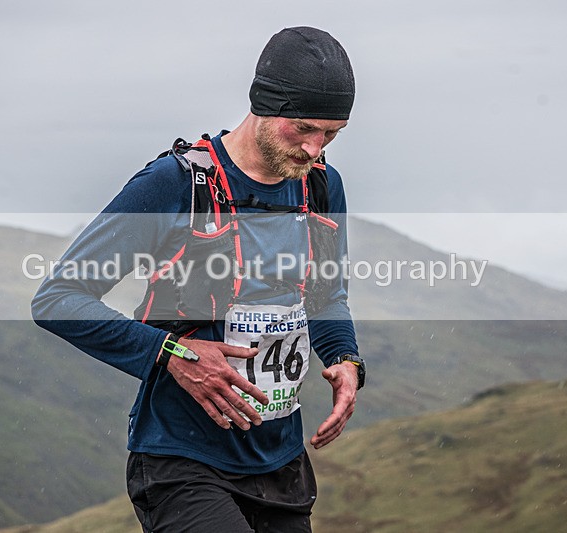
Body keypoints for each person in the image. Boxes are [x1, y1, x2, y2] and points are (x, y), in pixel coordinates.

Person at [32, 26, 366, 533]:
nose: (313, 148)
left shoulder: (321, 186)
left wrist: (344, 358)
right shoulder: (173, 184)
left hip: (280, 462)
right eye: (302, 128)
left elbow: (325, 296)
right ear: (263, 105)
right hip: (182, 461)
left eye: (331, 134)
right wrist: (174, 354)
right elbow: (58, 298)